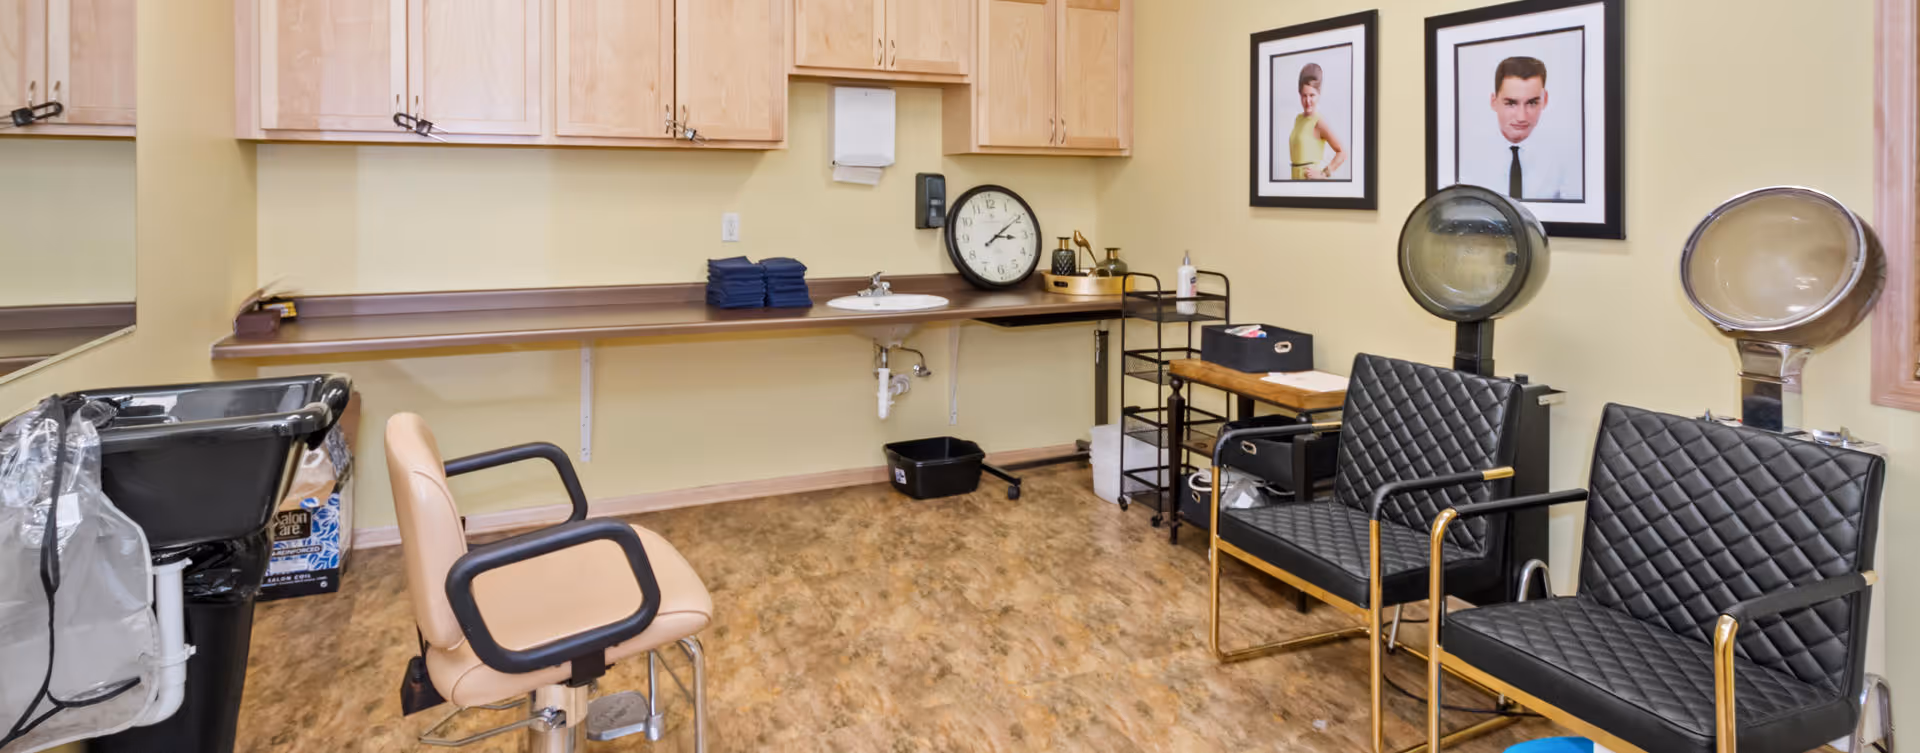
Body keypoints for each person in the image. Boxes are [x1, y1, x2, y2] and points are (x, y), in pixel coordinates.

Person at [1460, 56, 1580, 201]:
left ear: (1545, 100)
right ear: (1494, 102)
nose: (1522, 117)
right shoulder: (1467, 157)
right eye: (1511, 103)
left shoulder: (1566, 158)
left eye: (1532, 103)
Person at [1288, 63, 1347, 180]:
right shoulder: (1298, 119)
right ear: (1299, 95)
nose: (1308, 100)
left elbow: (1342, 153)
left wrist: (1323, 173)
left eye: (1312, 95)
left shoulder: (1319, 122)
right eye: (1304, 95)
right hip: (1294, 183)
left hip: (1310, 184)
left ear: (1318, 95)